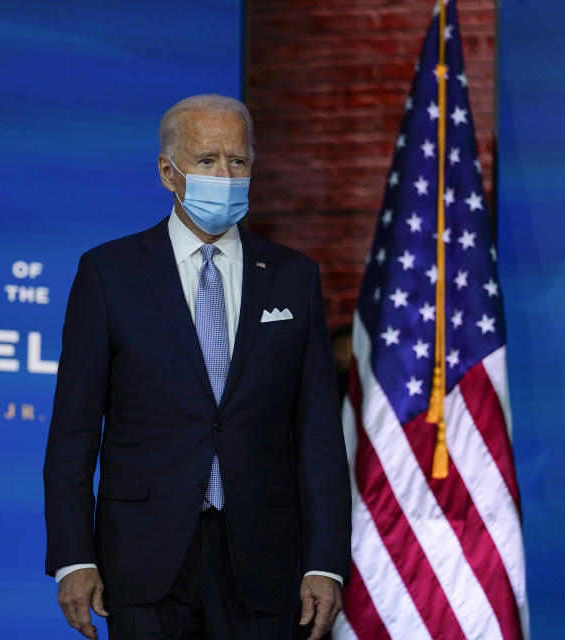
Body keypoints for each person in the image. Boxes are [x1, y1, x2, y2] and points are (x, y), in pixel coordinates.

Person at [43, 94, 351, 640]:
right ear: (169, 172)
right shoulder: (108, 274)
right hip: (143, 559)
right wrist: (73, 557)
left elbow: (319, 436)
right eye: (207, 160)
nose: (225, 175)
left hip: (265, 560)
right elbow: (73, 432)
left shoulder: (293, 277)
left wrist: (324, 561)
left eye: (238, 161)